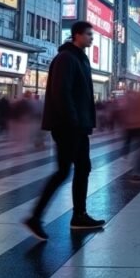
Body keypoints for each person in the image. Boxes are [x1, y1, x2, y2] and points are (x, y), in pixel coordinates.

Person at [25, 21, 106, 240]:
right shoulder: (66, 59)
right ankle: (36, 217)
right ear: (77, 35)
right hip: (69, 126)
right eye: (89, 34)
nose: (92, 38)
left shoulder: (79, 58)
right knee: (64, 171)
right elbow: (62, 93)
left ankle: (79, 215)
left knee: (82, 167)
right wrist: (73, 121)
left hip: (78, 125)